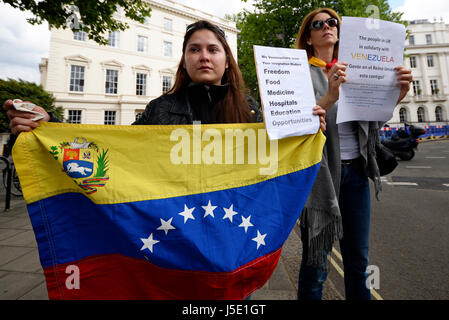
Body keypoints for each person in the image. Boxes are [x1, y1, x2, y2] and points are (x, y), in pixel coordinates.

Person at [4, 20, 326, 131]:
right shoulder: (159, 109)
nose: (203, 56)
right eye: (194, 50)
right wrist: (50, 129)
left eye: (212, 50)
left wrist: (308, 126)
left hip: (232, 237)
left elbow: (278, 159)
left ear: (227, 60)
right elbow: (115, 148)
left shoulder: (250, 108)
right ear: (184, 61)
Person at [294, 8, 412, 300]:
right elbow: (295, 123)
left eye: (332, 22)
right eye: (317, 24)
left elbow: (371, 120)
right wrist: (331, 95)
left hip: (356, 173)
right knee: (316, 266)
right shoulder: (298, 72)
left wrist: (397, 93)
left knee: (358, 262)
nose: (326, 27)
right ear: (308, 37)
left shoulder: (356, 67)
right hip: (319, 178)